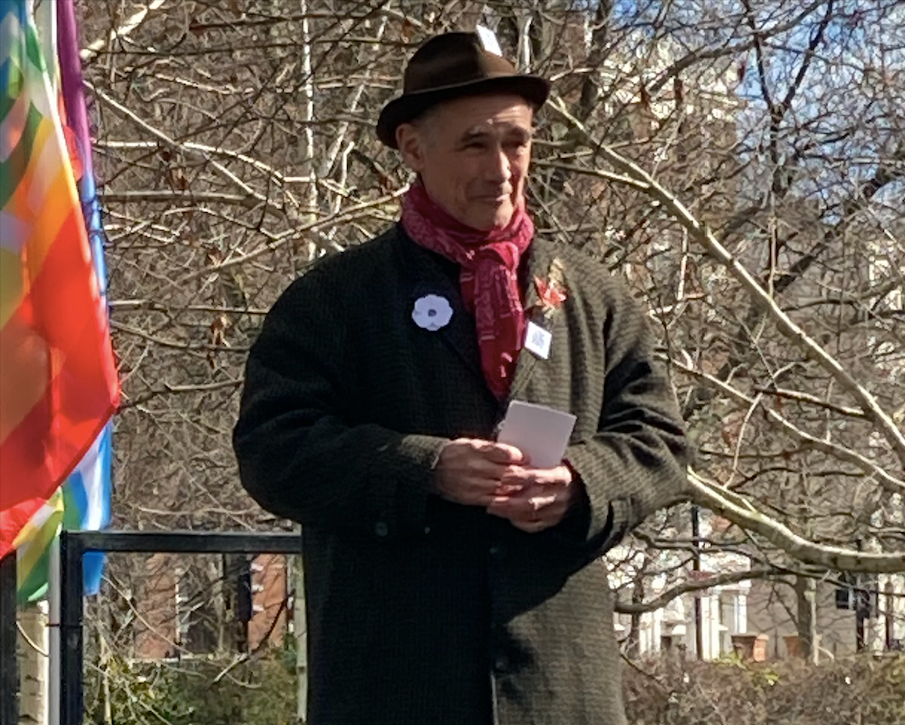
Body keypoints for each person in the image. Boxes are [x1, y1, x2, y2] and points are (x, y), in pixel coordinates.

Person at [233, 30, 689, 725]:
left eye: (517, 141)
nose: (502, 167)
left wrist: (579, 483)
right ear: (413, 147)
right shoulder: (335, 298)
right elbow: (272, 448)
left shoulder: (592, 297)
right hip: (393, 683)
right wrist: (423, 468)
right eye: (475, 143)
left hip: (559, 689)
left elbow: (657, 438)